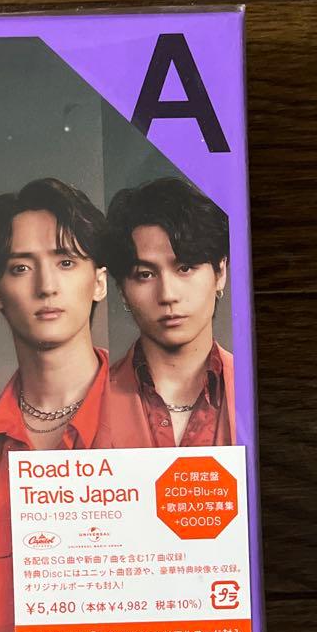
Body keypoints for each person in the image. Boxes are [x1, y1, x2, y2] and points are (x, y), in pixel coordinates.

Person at [0, 178, 110, 632]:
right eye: (21, 267)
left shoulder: (156, 423)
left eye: (66, 262)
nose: (47, 285)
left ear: (99, 281)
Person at [106, 177, 235, 447]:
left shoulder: (252, 388)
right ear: (122, 290)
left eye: (185, 268)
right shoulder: (90, 402)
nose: (167, 295)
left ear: (220, 272)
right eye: (145, 274)